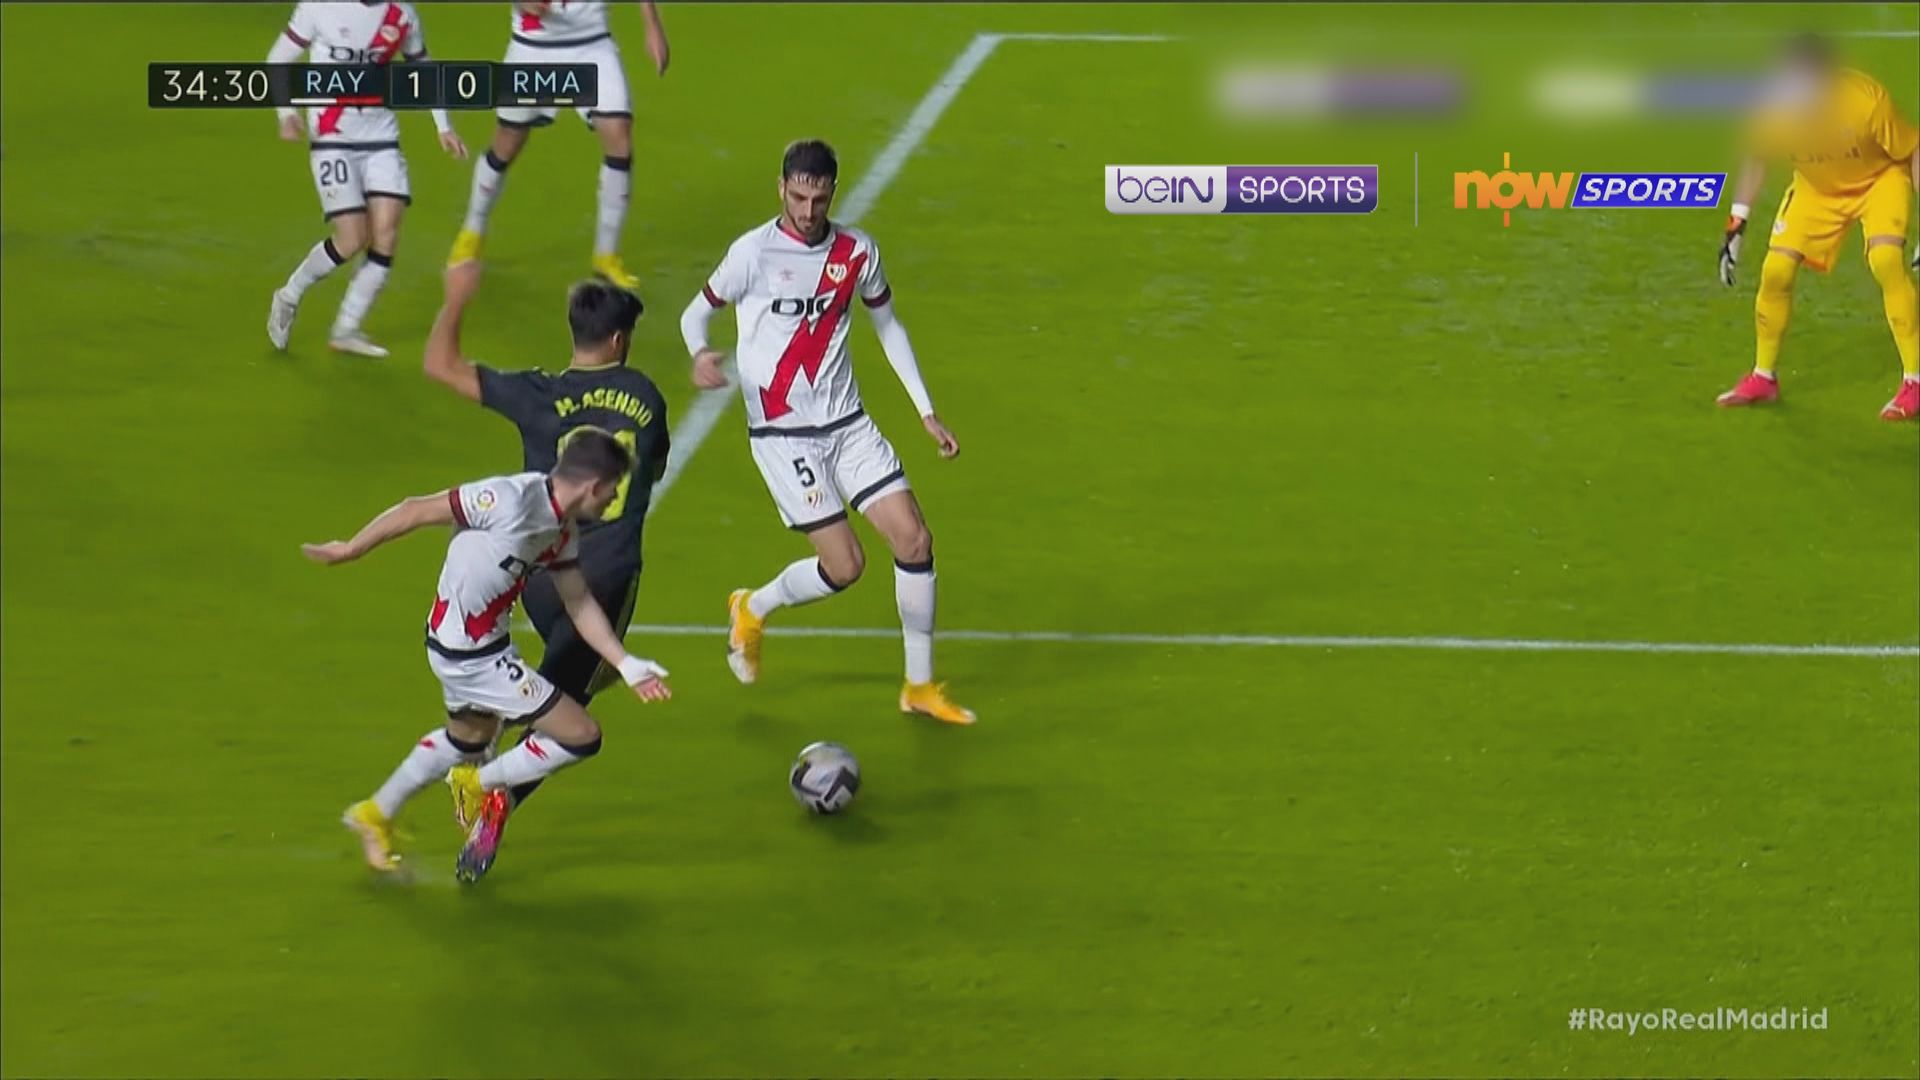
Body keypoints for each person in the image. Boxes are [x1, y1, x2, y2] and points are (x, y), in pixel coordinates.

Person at [678, 139, 975, 725]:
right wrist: (699, 353)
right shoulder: (752, 253)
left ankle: (918, 686)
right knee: (845, 567)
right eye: (797, 197)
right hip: (783, 435)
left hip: (848, 424)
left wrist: (925, 409)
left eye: (818, 199)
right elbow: (696, 312)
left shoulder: (857, 251)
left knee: (914, 540)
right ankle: (752, 606)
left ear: (833, 192)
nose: (807, 211)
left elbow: (888, 326)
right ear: (781, 188)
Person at [303, 429, 671, 883]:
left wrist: (626, 664)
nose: (615, 498)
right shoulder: (508, 500)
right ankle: (477, 784)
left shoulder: (561, 530)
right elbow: (417, 509)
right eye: (614, 488)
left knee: (467, 740)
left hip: (463, 645)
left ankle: (375, 814)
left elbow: (577, 601)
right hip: (473, 656)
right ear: (594, 486)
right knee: (581, 735)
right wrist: (351, 548)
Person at [423, 259, 670, 866]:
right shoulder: (645, 396)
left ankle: (486, 744)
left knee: (559, 681)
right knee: (570, 711)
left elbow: (440, 366)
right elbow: (653, 468)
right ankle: (495, 797)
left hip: (536, 574)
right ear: (619, 340)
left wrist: (456, 297)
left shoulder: (539, 393)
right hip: (602, 580)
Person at [1715, 33, 1919, 420]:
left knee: (1886, 261)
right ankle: (1763, 377)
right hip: (1817, 189)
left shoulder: (1866, 101)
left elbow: (1912, 150)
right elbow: (1757, 156)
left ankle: (1915, 381)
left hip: (1878, 181)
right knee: (1776, 271)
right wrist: (1736, 221)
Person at [266, 1, 468, 357]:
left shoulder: (401, 14)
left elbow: (424, 69)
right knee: (352, 238)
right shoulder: (318, 8)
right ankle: (289, 296)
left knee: (386, 232)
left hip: (381, 136)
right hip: (332, 137)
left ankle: (346, 328)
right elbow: (279, 58)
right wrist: (286, 113)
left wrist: (443, 126)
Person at [447, 0, 670, 291]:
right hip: (534, 46)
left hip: (592, 43)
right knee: (507, 143)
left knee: (619, 134)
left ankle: (606, 256)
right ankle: (472, 232)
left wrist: (652, 26)